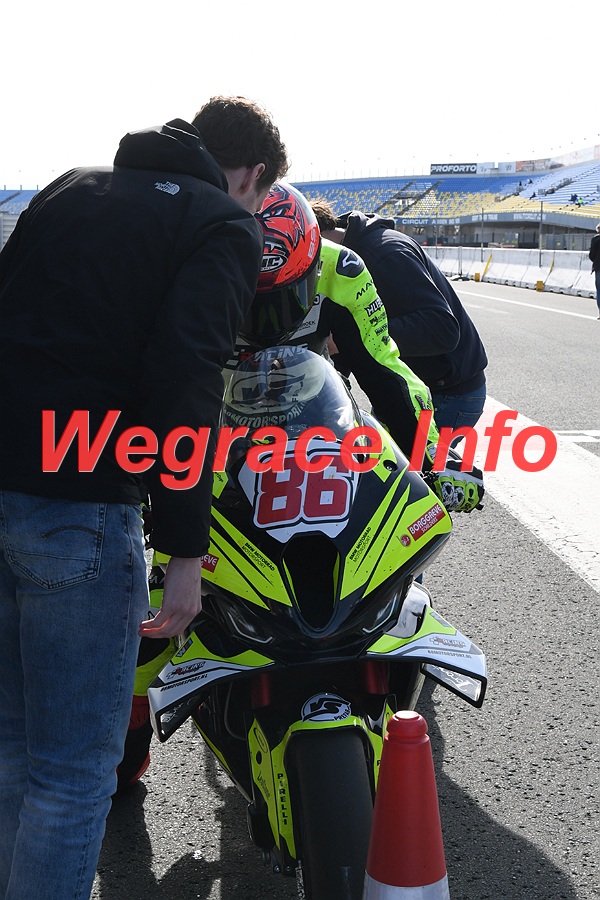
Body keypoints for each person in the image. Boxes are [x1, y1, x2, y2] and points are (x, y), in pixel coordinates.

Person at [0, 95, 288, 900]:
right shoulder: (221, 224)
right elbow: (185, 385)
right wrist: (186, 553)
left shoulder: (70, 186)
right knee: (71, 774)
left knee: (13, 752)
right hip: (81, 504)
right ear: (253, 175)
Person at [117, 183, 485, 791]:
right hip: (215, 427)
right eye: (252, 302)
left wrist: (431, 461)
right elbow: (154, 389)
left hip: (317, 421)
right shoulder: (187, 278)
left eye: (283, 298)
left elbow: (389, 373)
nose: (269, 320)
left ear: (311, 265)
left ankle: (384, 685)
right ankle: (123, 742)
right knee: (154, 606)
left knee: (391, 563)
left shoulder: (345, 271)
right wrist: (145, 482)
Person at [310, 199, 488, 433]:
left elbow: (442, 328)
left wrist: (353, 337)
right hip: (408, 386)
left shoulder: (385, 253)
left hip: (448, 392)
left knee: (406, 457)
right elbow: (345, 331)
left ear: (314, 238)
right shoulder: (340, 262)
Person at [589, 222, 600, 319]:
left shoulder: (595, 239)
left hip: (598, 267)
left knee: (599, 290)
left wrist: (596, 261)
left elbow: (591, 255)